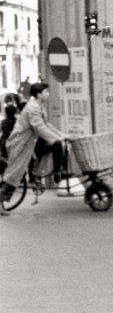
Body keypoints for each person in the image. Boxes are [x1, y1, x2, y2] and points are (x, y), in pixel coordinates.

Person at [0, 82, 68, 215]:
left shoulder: (39, 106)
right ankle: (1, 201)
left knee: (16, 174)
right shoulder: (32, 108)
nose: (48, 94)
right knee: (13, 175)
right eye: (46, 92)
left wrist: (60, 135)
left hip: (26, 144)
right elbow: (39, 127)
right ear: (38, 94)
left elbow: (46, 124)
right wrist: (55, 139)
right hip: (19, 144)